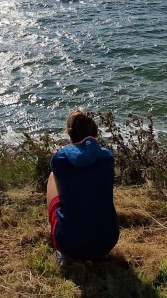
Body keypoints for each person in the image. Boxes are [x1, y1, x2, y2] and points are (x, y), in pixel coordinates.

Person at [46, 109, 119, 263]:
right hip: (107, 241)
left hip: (71, 243)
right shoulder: (107, 157)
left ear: (69, 133)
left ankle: (62, 251)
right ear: (95, 133)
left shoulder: (60, 158)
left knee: (53, 176)